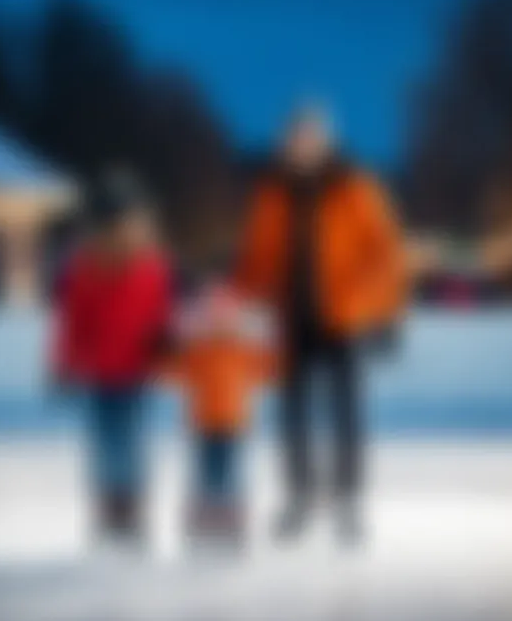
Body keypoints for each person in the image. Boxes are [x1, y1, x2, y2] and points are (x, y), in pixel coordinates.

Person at [236, 106, 406, 543]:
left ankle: (347, 497)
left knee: (347, 412)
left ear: (326, 141)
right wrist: (240, 305)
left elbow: (384, 251)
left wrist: (387, 312)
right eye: (295, 139)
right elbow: (257, 256)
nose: (302, 146)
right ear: (285, 143)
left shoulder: (355, 187)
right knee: (292, 415)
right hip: (291, 319)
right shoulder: (272, 191)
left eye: (311, 138)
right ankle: (300, 495)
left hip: (343, 315)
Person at [52, 173, 172, 540]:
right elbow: (73, 319)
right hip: (101, 369)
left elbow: (162, 316)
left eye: (132, 220)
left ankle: (131, 509)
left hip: (136, 369)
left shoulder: (152, 265)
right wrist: (64, 364)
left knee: (131, 441)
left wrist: (165, 355)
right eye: (119, 220)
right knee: (106, 443)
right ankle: (110, 510)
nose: (126, 227)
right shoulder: (85, 266)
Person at [161, 282, 273, 544]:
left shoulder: (243, 350)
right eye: (214, 319)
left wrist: (270, 343)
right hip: (202, 421)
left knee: (230, 470)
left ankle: (230, 516)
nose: (220, 324)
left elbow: (268, 368)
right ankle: (205, 515)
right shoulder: (198, 350)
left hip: (234, 421)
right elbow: (172, 371)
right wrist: (166, 350)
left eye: (225, 318)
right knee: (205, 470)